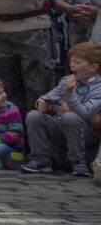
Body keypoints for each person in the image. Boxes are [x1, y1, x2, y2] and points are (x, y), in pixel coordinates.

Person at [22, 41, 101, 176]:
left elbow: (85, 113)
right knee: (34, 115)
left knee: (69, 117)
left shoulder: (98, 88)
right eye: (71, 62)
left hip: (86, 132)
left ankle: (79, 162)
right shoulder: (67, 80)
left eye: (77, 63)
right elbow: (50, 95)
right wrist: (43, 103)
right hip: (62, 125)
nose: (72, 66)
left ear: (93, 67)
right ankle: (40, 157)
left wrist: (69, 95)